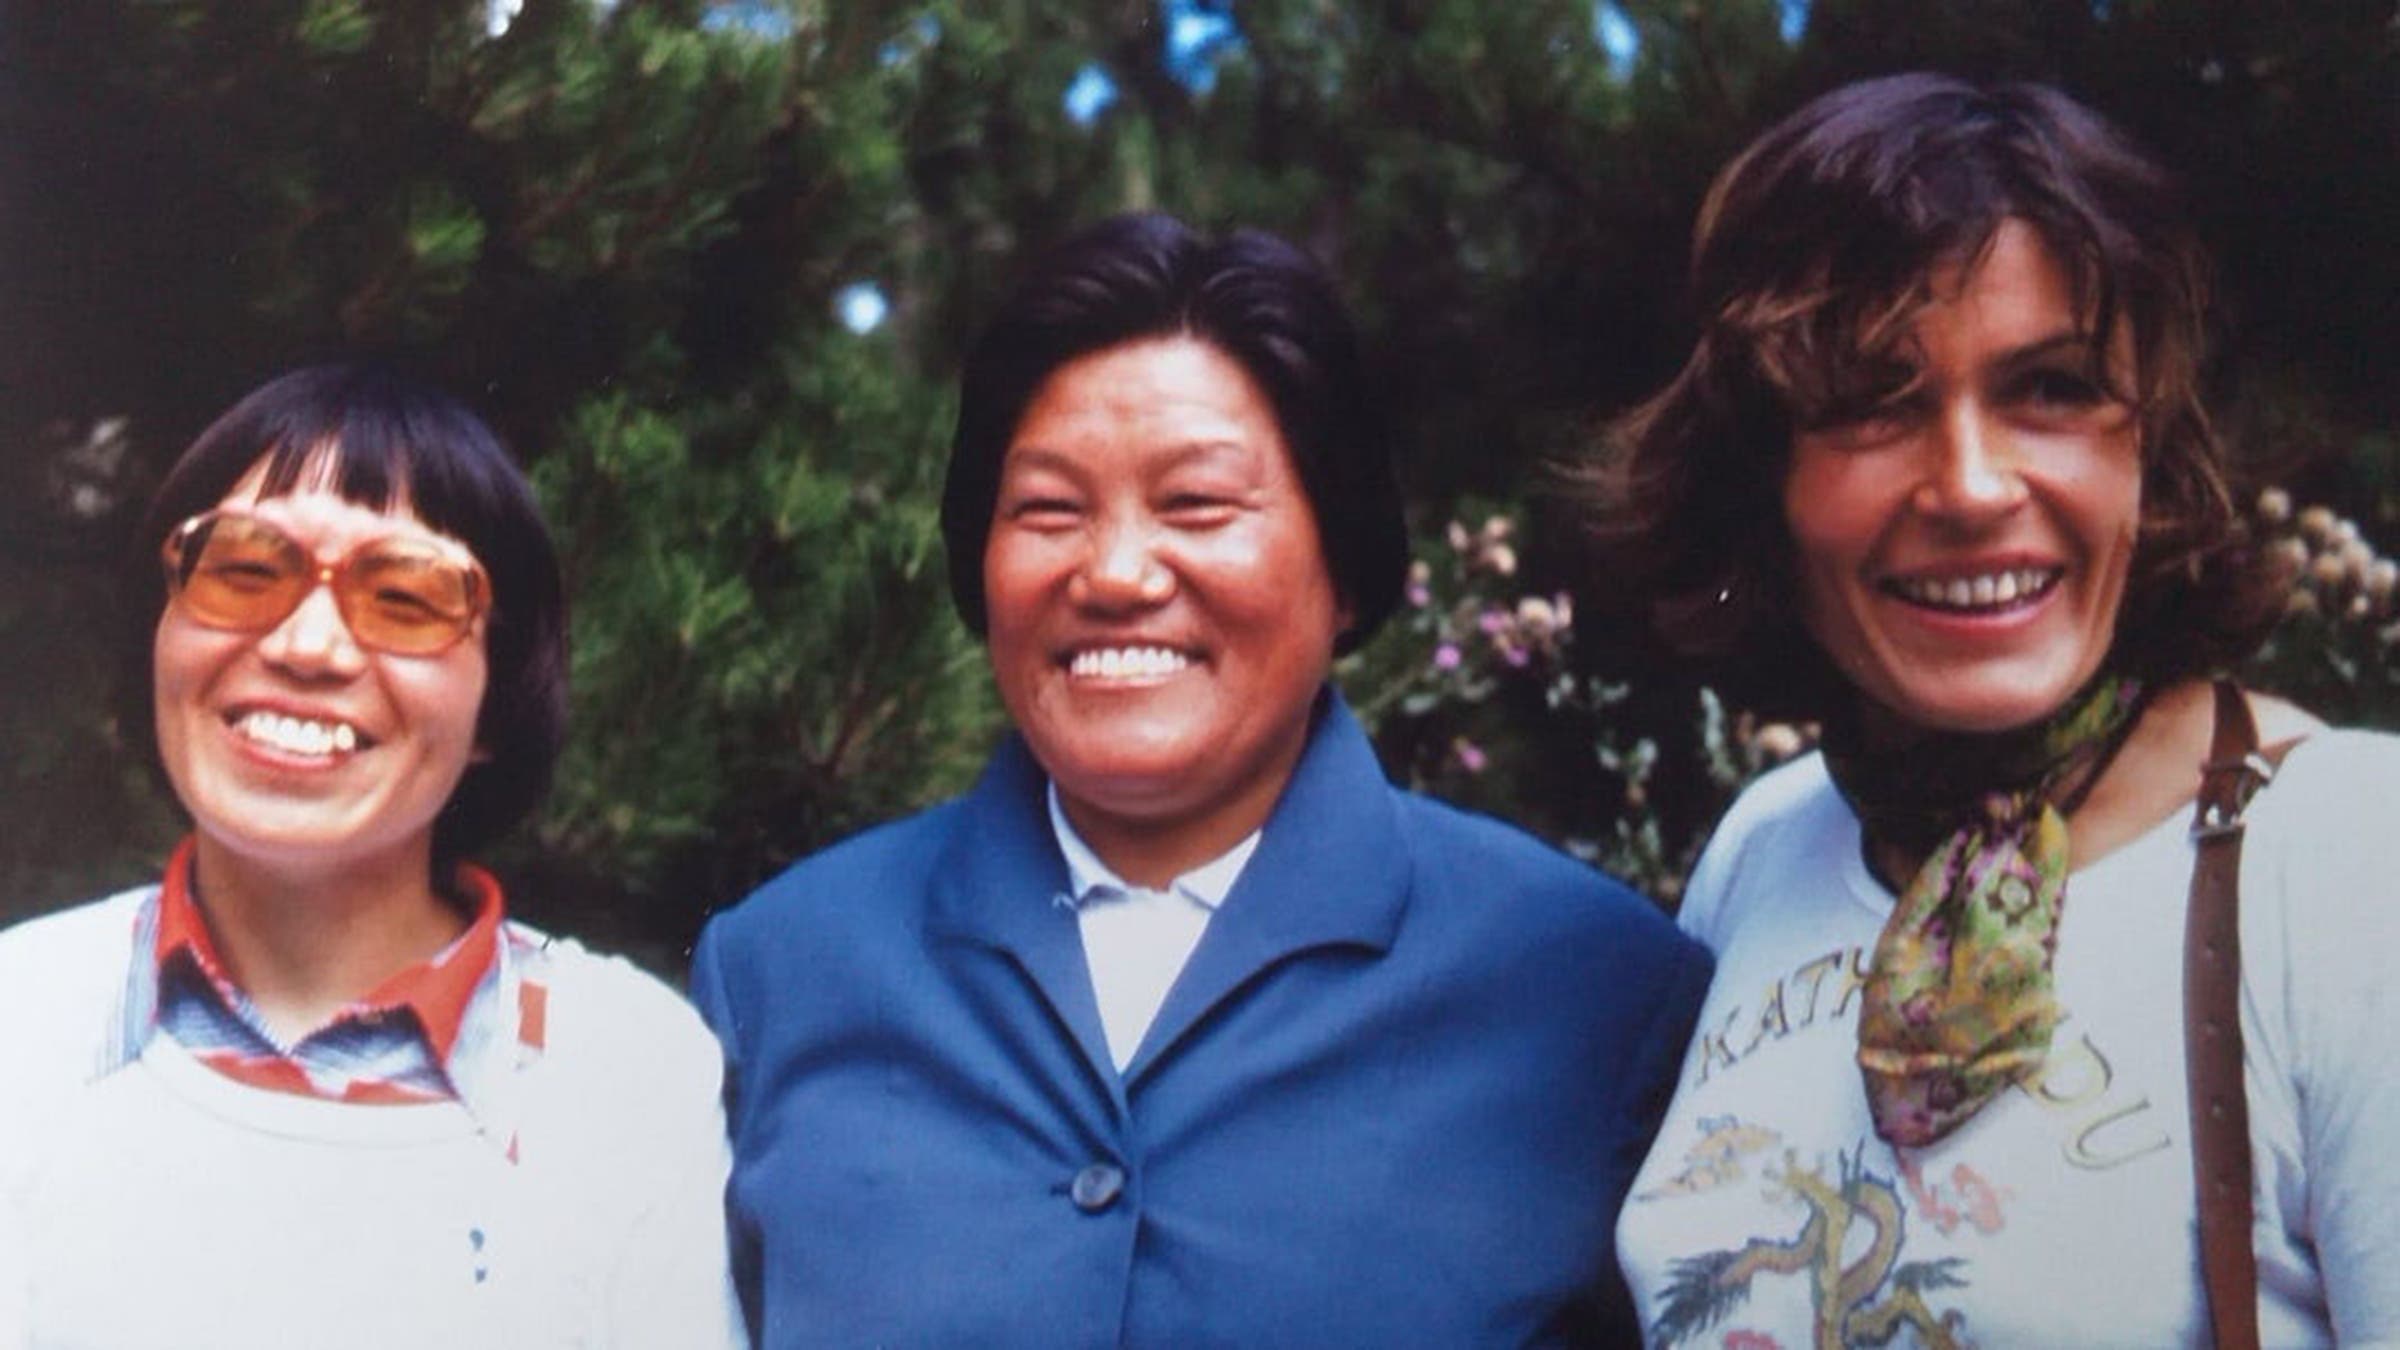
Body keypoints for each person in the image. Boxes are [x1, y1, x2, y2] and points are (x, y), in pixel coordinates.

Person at [691, 211, 1711, 1347]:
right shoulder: (784, 971)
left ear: (1349, 567)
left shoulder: (1591, 992)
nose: (1117, 572)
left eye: (1198, 506)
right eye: (1048, 510)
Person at [1587, 74, 2400, 1346]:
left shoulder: (2347, 859)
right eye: (1871, 402)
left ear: (2152, 452)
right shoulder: (1770, 845)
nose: (1969, 486)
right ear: (1767, 478)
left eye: (2054, 388)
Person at [0, 365, 743, 1348]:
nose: (309, 646)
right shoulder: (20, 1017)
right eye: (243, 571)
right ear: (160, 634)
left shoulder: (626, 1074)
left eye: (404, 596)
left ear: (496, 701)